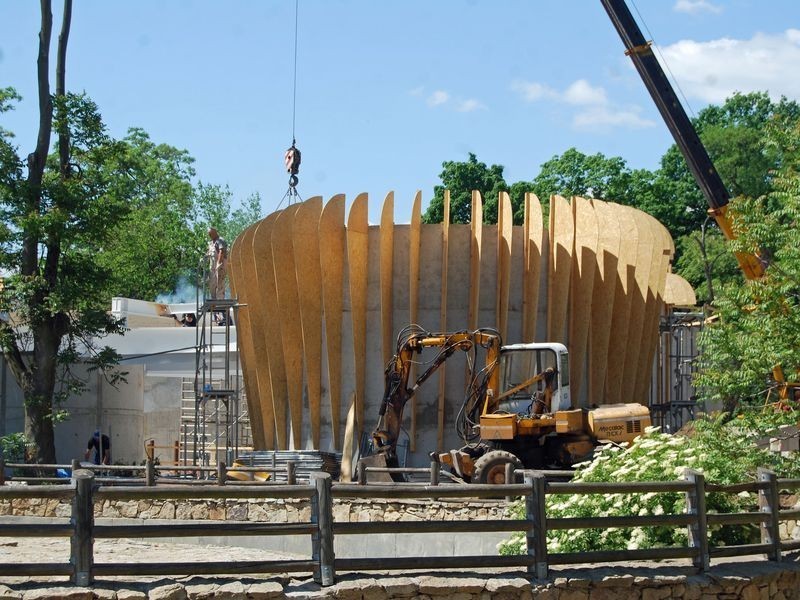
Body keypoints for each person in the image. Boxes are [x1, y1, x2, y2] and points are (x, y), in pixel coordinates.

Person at [207, 227, 228, 300]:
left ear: (215, 233)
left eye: (211, 234)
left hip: (219, 266)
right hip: (212, 268)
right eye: (209, 234)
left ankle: (220, 302)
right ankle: (213, 302)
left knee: (220, 284)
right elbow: (209, 253)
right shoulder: (211, 243)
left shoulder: (220, 241)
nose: (210, 236)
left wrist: (219, 263)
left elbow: (221, 252)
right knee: (212, 284)